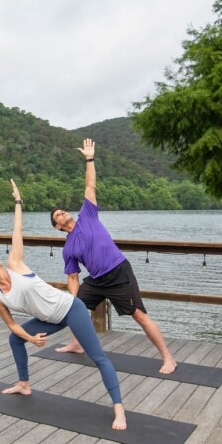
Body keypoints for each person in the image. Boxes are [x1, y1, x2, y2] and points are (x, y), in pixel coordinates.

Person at [0, 179, 128, 430]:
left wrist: (17, 201)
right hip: (49, 319)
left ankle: (119, 409)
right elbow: (13, 327)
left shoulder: (15, 264)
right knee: (15, 340)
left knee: (98, 357)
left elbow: (17, 229)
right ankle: (24, 384)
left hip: (70, 309)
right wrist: (31, 338)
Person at [50, 138, 178, 374]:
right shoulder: (68, 248)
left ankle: (168, 358)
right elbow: (73, 277)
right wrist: (73, 300)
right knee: (74, 309)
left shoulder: (87, 215)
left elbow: (90, 186)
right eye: (58, 214)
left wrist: (89, 159)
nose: (62, 213)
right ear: (57, 226)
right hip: (97, 280)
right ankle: (77, 344)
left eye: (62, 210)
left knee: (139, 315)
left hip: (118, 272)